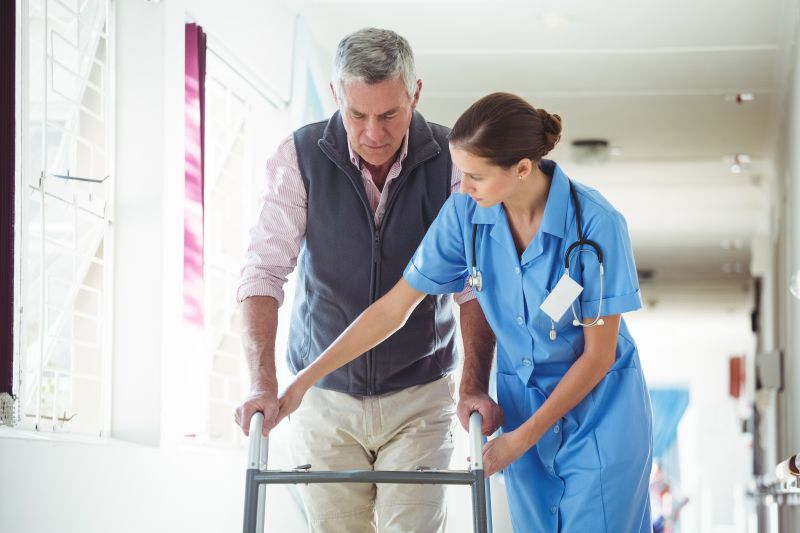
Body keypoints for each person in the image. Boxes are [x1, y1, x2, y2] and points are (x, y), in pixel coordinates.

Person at [274, 92, 654, 532]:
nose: (464, 187)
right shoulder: (464, 216)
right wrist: (304, 381)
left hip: (599, 411)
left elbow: (598, 356)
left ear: (522, 170)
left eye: (475, 176)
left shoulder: (596, 223)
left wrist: (519, 440)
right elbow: (393, 308)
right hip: (523, 403)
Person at [233, 28, 500, 533]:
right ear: (336, 95)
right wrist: (262, 383)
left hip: (420, 393)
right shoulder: (301, 157)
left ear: (415, 93)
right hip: (324, 398)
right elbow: (263, 273)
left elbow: (473, 286)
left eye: (390, 114)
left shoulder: (452, 162)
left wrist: (472, 386)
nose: (374, 132)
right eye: (357, 115)